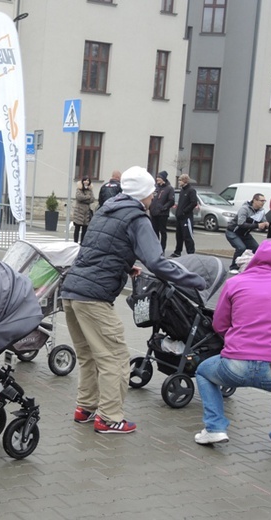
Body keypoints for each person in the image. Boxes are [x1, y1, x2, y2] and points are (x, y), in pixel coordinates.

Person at [62, 166, 205, 434]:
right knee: (115, 357)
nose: (154, 198)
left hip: (71, 292)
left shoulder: (107, 209)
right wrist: (194, 279)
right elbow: (158, 262)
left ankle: (86, 407)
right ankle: (109, 418)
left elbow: (99, 248)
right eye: (152, 193)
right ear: (145, 194)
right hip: (94, 298)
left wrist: (127, 266)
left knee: (89, 355)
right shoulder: (137, 218)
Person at [194, 240, 271, 458]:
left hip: (235, 365)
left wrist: (233, 340)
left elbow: (219, 323)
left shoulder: (235, 282)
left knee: (203, 371)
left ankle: (215, 428)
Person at [225, 193, 269, 274]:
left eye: (264, 201)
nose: (263, 203)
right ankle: (233, 267)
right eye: (261, 201)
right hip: (233, 232)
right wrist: (257, 225)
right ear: (255, 200)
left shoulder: (261, 211)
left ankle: (253, 266)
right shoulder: (244, 209)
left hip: (245, 234)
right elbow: (241, 223)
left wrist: (266, 224)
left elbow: (263, 221)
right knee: (241, 248)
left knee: (256, 248)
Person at [170, 174, 197, 258]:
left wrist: (184, 211)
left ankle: (191, 253)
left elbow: (193, 203)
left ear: (185, 181)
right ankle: (178, 251)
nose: (179, 182)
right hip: (180, 217)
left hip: (186, 217)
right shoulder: (182, 191)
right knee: (179, 235)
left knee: (187, 236)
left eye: (180, 180)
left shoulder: (191, 190)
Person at [149, 171, 174, 253]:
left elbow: (171, 201)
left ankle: (162, 249)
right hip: (154, 213)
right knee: (154, 232)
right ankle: (155, 248)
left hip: (162, 214)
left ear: (163, 179)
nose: (157, 179)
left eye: (159, 177)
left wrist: (164, 208)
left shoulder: (169, 188)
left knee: (162, 232)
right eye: (157, 177)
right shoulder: (156, 187)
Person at [72, 177, 94, 243]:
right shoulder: (79, 189)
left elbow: (92, 199)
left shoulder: (90, 190)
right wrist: (87, 197)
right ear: (82, 181)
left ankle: (82, 242)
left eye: (88, 180)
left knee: (85, 228)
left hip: (86, 212)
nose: (86, 182)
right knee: (77, 228)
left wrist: (85, 199)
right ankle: (75, 242)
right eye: (85, 180)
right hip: (79, 211)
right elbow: (79, 198)